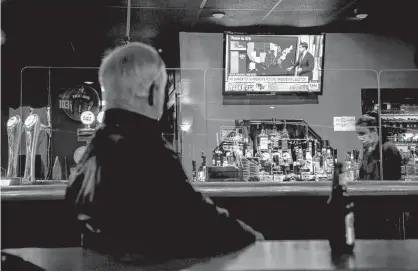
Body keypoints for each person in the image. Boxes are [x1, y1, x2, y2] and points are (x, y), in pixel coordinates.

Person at [65, 42, 263, 258]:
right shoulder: (147, 151)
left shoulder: (89, 156)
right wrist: (255, 239)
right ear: (150, 91)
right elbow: (205, 224)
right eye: (164, 86)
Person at [355, 111, 402, 180]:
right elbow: (363, 175)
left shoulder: (388, 148)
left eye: (362, 133)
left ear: (374, 131)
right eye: (358, 134)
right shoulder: (369, 149)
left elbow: (392, 181)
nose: (359, 138)